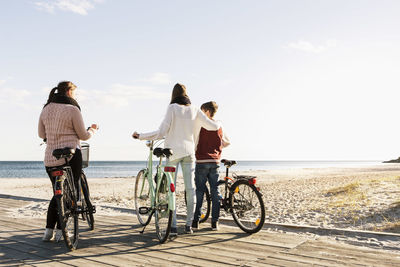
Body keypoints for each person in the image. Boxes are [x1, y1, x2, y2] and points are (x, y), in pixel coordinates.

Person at [132, 83, 220, 235]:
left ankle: (172, 226)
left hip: (172, 153)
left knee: (170, 189)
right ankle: (188, 225)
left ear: (173, 95)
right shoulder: (194, 110)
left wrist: (140, 136)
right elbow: (212, 126)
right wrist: (214, 122)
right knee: (190, 188)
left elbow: (161, 132)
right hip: (189, 153)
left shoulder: (172, 108)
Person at [38, 81, 98, 242]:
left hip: (51, 158)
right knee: (71, 193)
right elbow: (83, 136)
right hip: (71, 156)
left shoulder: (46, 109)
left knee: (57, 194)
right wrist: (92, 130)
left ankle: (48, 232)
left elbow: (41, 134)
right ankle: (61, 232)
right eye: (75, 93)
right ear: (70, 92)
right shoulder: (73, 109)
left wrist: (53, 136)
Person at [192, 101, 230, 231]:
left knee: (199, 192)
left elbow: (194, 141)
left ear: (207, 111)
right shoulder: (219, 125)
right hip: (215, 162)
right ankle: (215, 223)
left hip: (201, 161)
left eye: (203, 111)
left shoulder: (201, 124)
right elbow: (226, 142)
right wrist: (218, 147)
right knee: (215, 192)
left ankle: (195, 221)